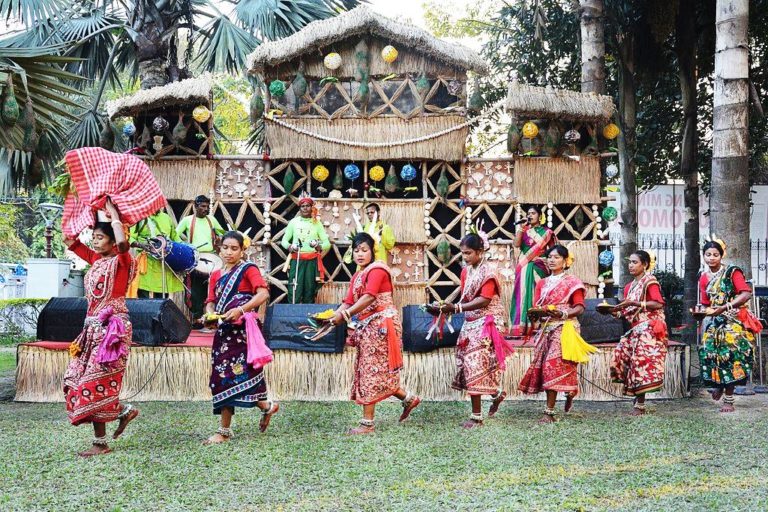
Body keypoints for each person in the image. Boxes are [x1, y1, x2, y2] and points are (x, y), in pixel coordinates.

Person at [62, 199, 140, 457]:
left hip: (113, 332)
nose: (94, 241)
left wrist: (114, 214)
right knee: (76, 380)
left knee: (95, 384)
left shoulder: (122, 261)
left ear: (111, 240)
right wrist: (80, 211)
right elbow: (70, 241)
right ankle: (122, 412)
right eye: (93, 237)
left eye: (99, 237)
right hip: (91, 330)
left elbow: (122, 244)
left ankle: (101, 443)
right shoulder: (96, 260)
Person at [328, 232, 421, 435]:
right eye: (356, 250)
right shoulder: (358, 275)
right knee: (373, 369)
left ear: (373, 251)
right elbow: (349, 301)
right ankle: (409, 399)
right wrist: (330, 317)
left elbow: (369, 297)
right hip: (368, 325)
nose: (359, 254)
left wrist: (343, 315)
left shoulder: (378, 270)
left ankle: (367, 424)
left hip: (381, 325)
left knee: (371, 369)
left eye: (364, 250)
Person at [200, 231, 279, 444]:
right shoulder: (215, 274)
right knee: (222, 377)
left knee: (233, 375)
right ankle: (267, 406)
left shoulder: (248, 269)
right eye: (225, 247)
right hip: (224, 332)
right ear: (219, 248)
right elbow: (210, 301)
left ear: (242, 251)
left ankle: (223, 431)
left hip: (243, 333)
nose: (229, 252)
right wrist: (210, 313)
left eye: (234, 248)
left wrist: (241, 310)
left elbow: (263, 294)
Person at [431, 230, 514, 429]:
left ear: (480, 251)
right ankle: (496, 394)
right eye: (463, 253)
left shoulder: (490, 272)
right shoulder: (466, 271)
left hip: (487, 322)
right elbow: (465, 298)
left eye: (468, 253)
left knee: (475, 364)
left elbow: (484, 299)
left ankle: (476, 417)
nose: (465, 257)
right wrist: (445, 307)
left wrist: (457, 308)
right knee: (470, 364)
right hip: (471, 322)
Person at [519, 244, 591, 424]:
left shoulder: (573, 282)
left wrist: (563, 313)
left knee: (553, 365)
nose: (552, 260)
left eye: (557, 257)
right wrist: (534, 314)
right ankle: (570, 390)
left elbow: (580, 308)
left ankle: (549, 412)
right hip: (546, 328)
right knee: (546, 367)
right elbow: (536, 308)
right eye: (550, 257)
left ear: (566, 261)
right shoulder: (542, 283)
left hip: (565, 327)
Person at [696, 239, 758, 413]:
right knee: (708, 353)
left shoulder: (732, 272)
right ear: (704, 256)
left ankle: (729, 399)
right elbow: (705, 302)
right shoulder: (703, 277)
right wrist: (700, 314)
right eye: (708, 255)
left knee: (729, 356)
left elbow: (745, 294)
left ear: (722, 256)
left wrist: (725, 307)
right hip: (713, 321)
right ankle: (718, 384)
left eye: (715, 255)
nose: (711, 258)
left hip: (733, 320)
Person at [608, 250, 668, 415]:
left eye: (635, 262)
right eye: (630, 262)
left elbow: (658, 304)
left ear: (645, 265)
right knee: (622, 357)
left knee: (641, 364)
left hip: (650, 328)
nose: (631, 265)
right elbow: (627, 311)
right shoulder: (629, 286)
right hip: (635, 329)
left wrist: (635, 303)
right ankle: (636, 397)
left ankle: (640, 405)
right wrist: (613, 311)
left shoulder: (650, 282)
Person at [177, 195, 225, 325]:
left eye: (207, 206)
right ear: (196, 207)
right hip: (195, 258)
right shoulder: (187, 220)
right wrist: (186, 246)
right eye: (203, 206)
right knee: (196, 290)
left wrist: (220, 238)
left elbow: (223, 233)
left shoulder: (212, 220)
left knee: (212, 289)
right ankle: (197, 318)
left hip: (211, 258)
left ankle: (211, 317)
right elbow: (175, 235)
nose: (206, 209)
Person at [509, 205, 557, 337]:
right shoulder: (524, 231)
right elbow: (517, 245)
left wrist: (543, 259)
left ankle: (538, 325)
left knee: (537, 293)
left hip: (539, 266)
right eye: (528, 213)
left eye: (533, 213)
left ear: (540, 216)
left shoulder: (547, 232)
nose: (530, 215)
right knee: (522, 293)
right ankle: (521, 327)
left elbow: (553, 251)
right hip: (523, 266)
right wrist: (521, 229)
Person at [280, 193, 331, 303]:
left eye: (308, 205)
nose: (305, 208)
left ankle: (307, 316)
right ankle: (292, 315)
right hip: (296, 259)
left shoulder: (317, 224)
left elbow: (327, 243)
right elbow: (284, 241)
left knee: (310, 289)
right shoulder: (293, 222)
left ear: (312, 207)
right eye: (303, 206)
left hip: (312, 261)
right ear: (300, 208)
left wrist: (319, 246)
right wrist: (289, 246)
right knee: (294, 287)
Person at [129, 209, 184, 297]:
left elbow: (175, 238)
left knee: (162, 296)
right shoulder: (139, 218)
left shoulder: (166, 218)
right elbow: (129, 237)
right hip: (146, 262)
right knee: (144, 294)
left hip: (163, 262)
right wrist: (141, 245)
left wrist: (186, 248)